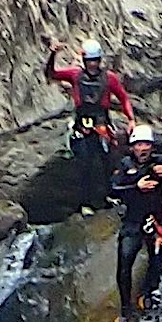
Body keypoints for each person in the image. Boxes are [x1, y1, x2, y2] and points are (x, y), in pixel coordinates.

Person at [45, 39, 134, 212]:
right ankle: (84, 202)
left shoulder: (109, 79)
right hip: (82, 123)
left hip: (102, 123)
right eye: (89, 61)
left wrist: (130, 119)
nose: (93, 64)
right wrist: (53, 54)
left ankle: (110, 195)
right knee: (84, 161)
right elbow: (52, 74)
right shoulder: (75, 75)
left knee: (108, 159)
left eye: (95, 61)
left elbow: (123, 98)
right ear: (85, 61)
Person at [109, 125, 162, 322]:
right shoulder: (125, 165)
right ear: (132, 147)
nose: (143, 149)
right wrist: (136, 186)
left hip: (156, 220)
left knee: (157, 260)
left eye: (146, 145)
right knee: (124, 263)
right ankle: (125, 309)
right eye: (139, 145)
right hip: (133, 221)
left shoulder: (159, 162)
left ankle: (148, 293)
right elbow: (113, 189)